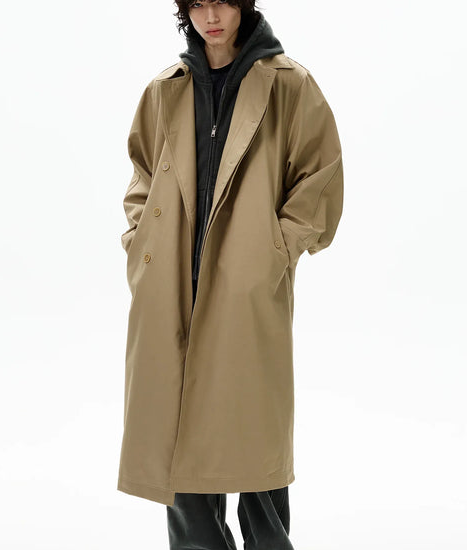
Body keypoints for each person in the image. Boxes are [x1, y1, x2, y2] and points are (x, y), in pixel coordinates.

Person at [117, 1, 344, 549]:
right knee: (179, 446)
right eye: (197, 4)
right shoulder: (165, 89)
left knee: (254, 444)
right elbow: (142, 176)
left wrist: (273, 250)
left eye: (221, 0)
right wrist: (140, 240)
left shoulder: (289, 85)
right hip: (173, 283)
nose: (211, 15)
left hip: (246, 286)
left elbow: (320, 179)